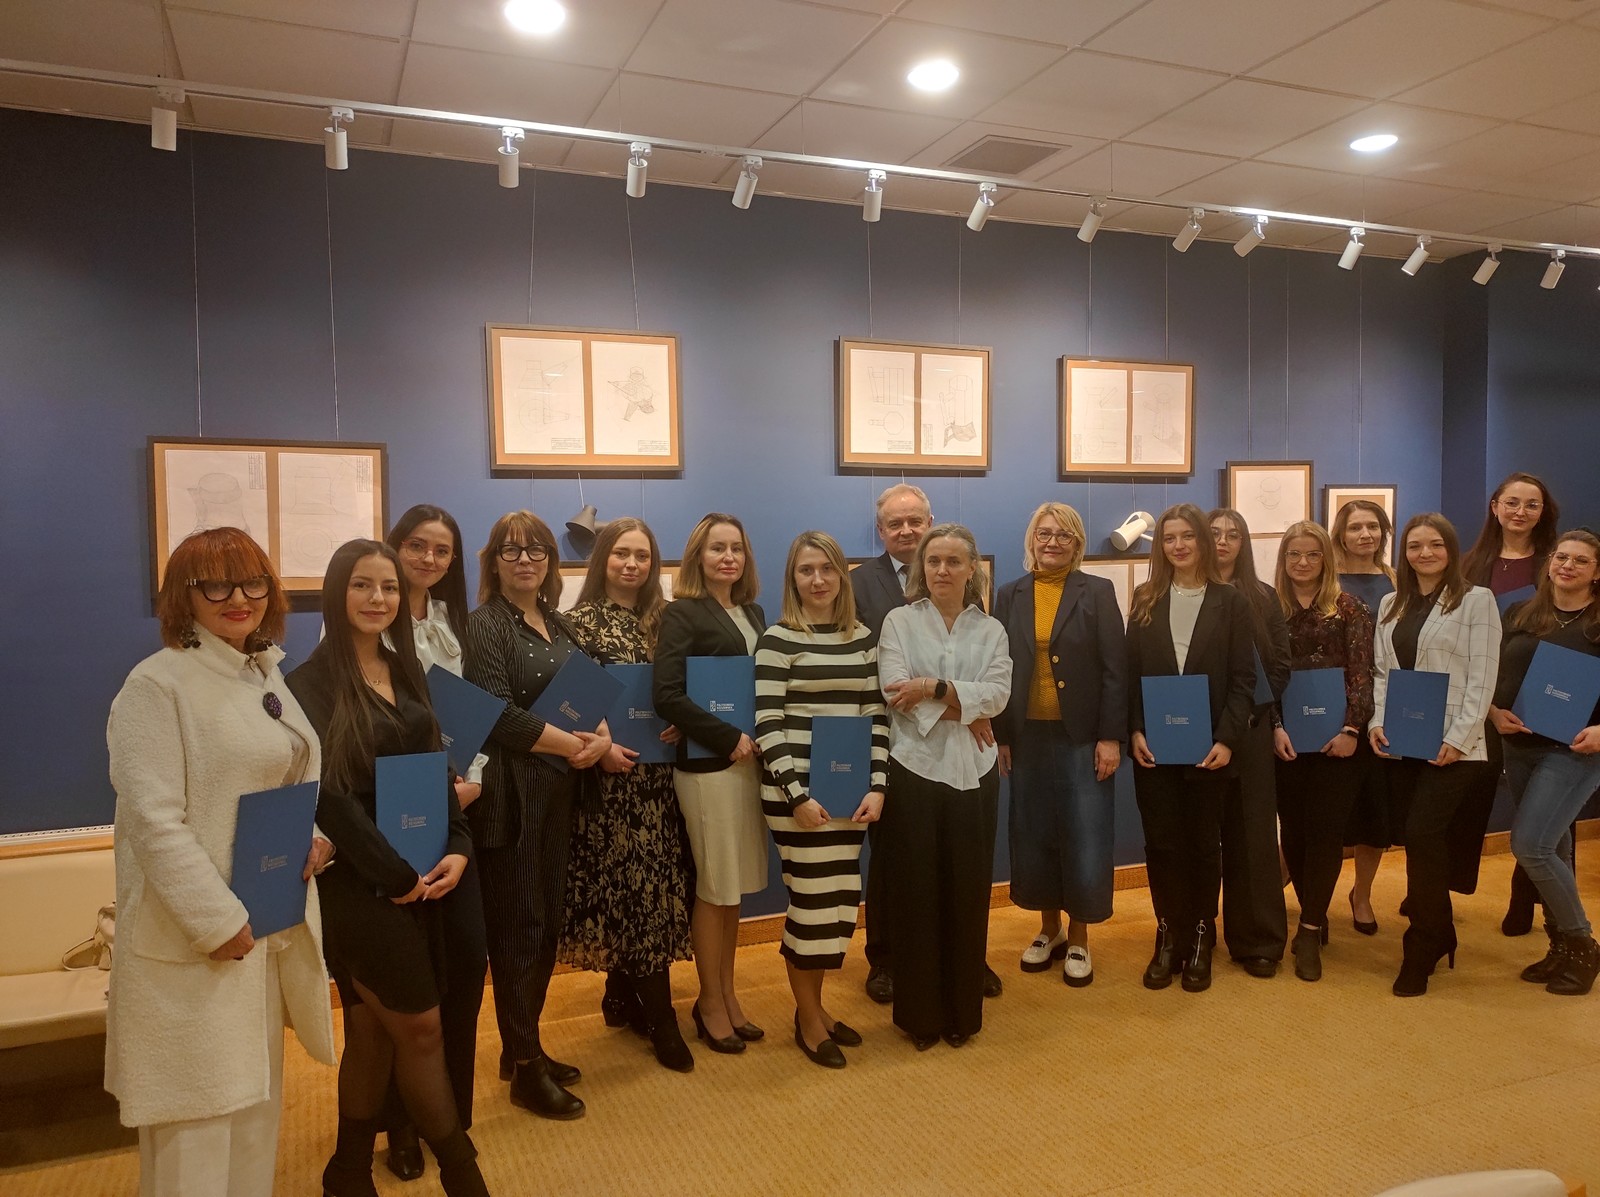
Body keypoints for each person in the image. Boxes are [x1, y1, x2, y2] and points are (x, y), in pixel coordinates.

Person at [106, 528, 335, 1197]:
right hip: (199, 942)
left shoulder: (260, 672)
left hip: (262, 931)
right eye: (216, 584)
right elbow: (154, 821)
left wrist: (313, 835)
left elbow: (281, 777)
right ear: (184, 595)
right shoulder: (157, 685)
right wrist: (216, 921)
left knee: (252, 1117)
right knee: (195, 1135)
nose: (239, 597)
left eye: (253, 581)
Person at [286, 540, 489, 1197]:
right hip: (360, 882)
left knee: (373, 1029)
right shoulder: (308, 684)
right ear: (336, 592)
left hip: (423, 871)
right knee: (421, 1027)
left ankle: (347, 1171)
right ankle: (464, 1177)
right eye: (363, 585)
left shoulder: (406, 668)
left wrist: (458, 843)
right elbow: (331, 801)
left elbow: (437, 765)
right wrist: (395, 875)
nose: (378, 598)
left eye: (390, 587)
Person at [464, 512, 611, 1120]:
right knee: (519, 930)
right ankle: (525, 1067)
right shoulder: (484, 625)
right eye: (511, 550)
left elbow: (590, 694)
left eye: (537, 550)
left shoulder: (558, 622)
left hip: (558, 793)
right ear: (493, 561)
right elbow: (494, 713)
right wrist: (570, 744)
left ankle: (523, 1046)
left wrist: (601, 737)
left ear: (551, 560)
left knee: (546, 921)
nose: (525, 560)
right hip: (513, 797)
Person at [559, 518, 695, 1071]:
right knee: (635, 890)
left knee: (655, 886)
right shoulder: (577, 623)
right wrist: (602, 747)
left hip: (664, 780)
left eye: (642, 555)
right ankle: (662, 1020)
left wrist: (687, 720)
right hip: (612, 781)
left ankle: (620, 995)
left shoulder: (668, 618)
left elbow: (683, 689)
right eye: (621, 553)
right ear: (603, 560)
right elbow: (569, 703)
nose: (632, 564)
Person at [377, 505, 488, 1182]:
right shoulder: (369, 621)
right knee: (409, 986)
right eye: (416, 545)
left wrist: (476, 780)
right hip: (396, 812)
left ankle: (452, 1115)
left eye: (441, 550)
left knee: (464, 969)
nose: (427, 558)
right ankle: (402, 1124)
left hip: (458, 810)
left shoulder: (453, 622)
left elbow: (473, 714)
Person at [754, 530, 889, 1067]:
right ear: (793, 578)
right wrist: (796, 796)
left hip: (848, 794)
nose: (818, 580)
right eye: (806, 570)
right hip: (796, 797)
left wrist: (878, 786)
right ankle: (808, 1020)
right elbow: (767, 724)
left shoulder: (863, 638)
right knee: (810, 906)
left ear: (842, 575)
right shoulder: (778, 639)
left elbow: (875, 717)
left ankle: (817, 1009)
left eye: (827, 569)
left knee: (838, 903)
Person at [877, 523, 1011, 1049]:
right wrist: (965, 708)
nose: (942, 570)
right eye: (933, 561)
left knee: (968, 892)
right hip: (914, 769)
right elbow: (895, 692)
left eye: (954, 562)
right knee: (917, 895)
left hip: (975, 773)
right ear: (921, 568)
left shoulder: (991, 630)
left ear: (972, 569)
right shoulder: (899, 621)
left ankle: (962, 1015)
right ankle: (922, 1018)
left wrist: (934, 687)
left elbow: (998, 695)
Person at [993, 502, 1125, 988]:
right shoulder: (1009, 594)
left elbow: (1115, 669)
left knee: (1085, 836)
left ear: (1077, 543)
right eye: (1044, 534)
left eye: (1063, 535)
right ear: (1032, 539)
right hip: (1027, 736)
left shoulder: (1098, 591)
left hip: (1082, 738)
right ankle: (1049, 930)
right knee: (1034, 833)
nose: (1052, 542)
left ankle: (1080, 937)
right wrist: (1003, 735)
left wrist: (1110, 736)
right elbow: (998, 666)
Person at [1127, 504, 1256, 994]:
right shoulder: (1145, 598)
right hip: (1154, 750)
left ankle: (1201, 934)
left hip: (1210, 749)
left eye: (1187, 536)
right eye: (1168, 538)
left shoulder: (1231, 602)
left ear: (1203, 540)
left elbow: (1243, 680)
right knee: (1161, 845)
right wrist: (1135, 730)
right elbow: (1131, 675)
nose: (1178, 546)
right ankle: (1168, 934)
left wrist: (1227, 739)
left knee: (1204, 846)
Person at [1370, 513, 1500, 997]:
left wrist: (1461, 736)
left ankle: (1421, 945)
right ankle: (1440, 930)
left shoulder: (1476, 600)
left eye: (1435, 545)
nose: (1424, 553)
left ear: (1451, 550)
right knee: (1417, 839)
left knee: (1423, 833)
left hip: (1455, 746)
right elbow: (1382, 672)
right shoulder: (1391, 602)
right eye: (1415, 546)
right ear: (1404, 553)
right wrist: (1376, 721)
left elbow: (1483, 676)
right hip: (1404, 741)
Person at [653, 513, 768, 1054]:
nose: (728, 557)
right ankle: (709, 1001)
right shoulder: (682, 612)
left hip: (750, 765)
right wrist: (726, 737)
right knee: (714, 885)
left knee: (734, 887)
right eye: (717, 548)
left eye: (736, 548)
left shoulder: (753, 612)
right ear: (698, 555)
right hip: (708, 767)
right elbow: (667, 695)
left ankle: (728, 992)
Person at [1489, 530, 1600, 996]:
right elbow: (1494, 670)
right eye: (1561, 557)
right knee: (1554, 846)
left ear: (1597, 571)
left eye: (1580, 560)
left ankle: (1583, 944)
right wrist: (1494, 712)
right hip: (1520, 746)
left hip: (1575, 751)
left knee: (1530, 845)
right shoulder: (1521, 613)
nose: (1567, 566)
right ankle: (1559, 947)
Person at [1462, 472, 1567, 938]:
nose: (1520, 512)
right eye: (1512, 502)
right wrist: (1487, 705)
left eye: (1531, 504)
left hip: (1539, 698)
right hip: (1482, 697)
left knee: (1541, 810)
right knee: (1467, 798)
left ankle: (1528, 897)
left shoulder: (1557, 563)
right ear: (1495, 507)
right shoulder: (1470, 566)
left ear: (1544, 512)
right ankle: (1438, 883)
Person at [1270, 521, 1375, 981]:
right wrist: (1275, 728)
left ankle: (1310, 929)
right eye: (1294, 554)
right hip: (1286, 743)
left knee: (1326, 834)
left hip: (1339, 743)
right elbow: (1264, 676)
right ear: (1283, 559)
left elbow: (1363, 672)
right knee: (1293, 833)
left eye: (1312, 554)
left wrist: (1352, 729)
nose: (1303, 562)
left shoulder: (1350, 608)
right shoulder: (1270, 610)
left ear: (1325, 559)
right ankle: (1312, 908)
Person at [850, 482, 932, 1005]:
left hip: (948, 736)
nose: (906, 530)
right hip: (885, 737)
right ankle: (885, 958)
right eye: (895, 523)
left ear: (929, 523)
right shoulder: (858, 584)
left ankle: (954, 954)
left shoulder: (959, 575)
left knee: (947, 851)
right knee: (889, 857)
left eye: (915, 520)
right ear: (880, 531)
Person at [1208, 508, 1290, 979]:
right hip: (1199, 731)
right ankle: (1198, 932)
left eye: (1232, 534)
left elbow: (1279, 666)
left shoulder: (1262, 596)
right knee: (1201, 837)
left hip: (1251, 731)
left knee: (1253, 838)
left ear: (1243, 544)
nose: (1222, 541)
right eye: (1214, 533)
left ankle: (1258, 940)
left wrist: (1248, 714)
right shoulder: (1184, 594)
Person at [1330, 499, 1398, 936]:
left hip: (1385, 709)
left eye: (1373, 526)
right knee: (1329, 811)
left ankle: (1363, 895)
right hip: (1336, 708)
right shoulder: (1327, 579)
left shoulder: (1397, 580)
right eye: (1355, 527)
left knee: (1376, 813)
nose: (1365, 535)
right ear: (1341, 534)